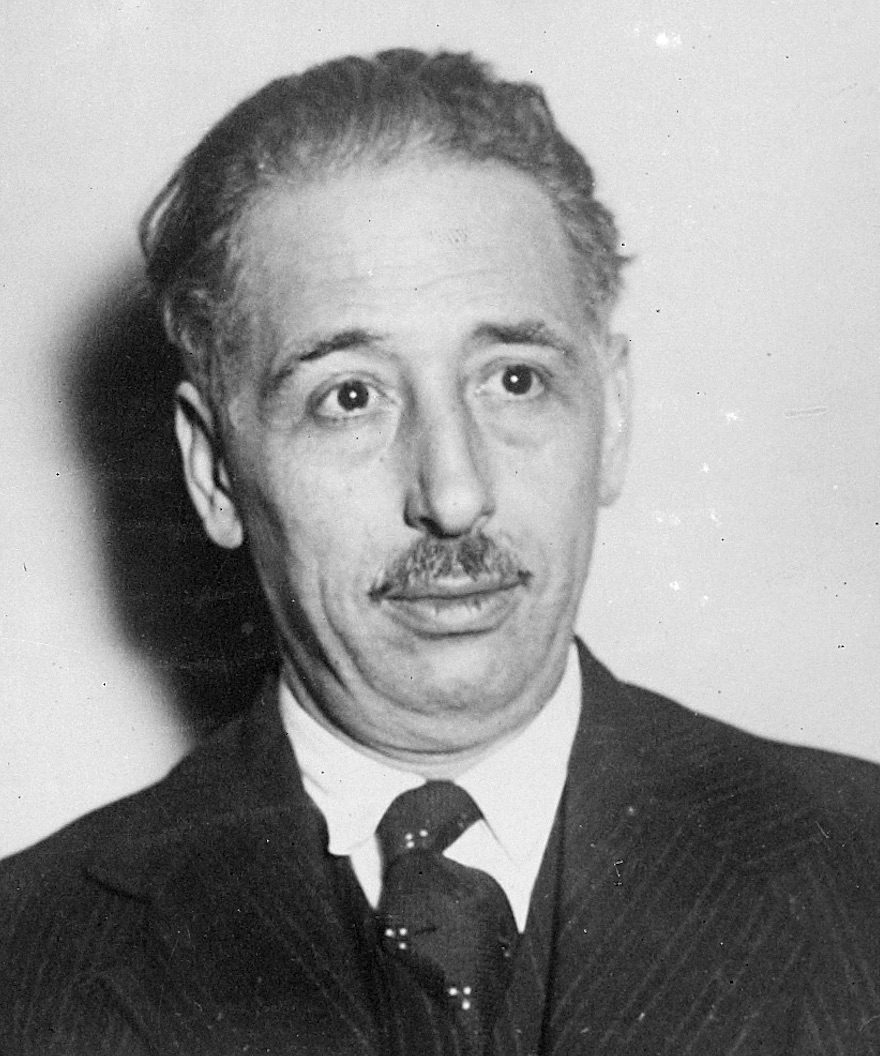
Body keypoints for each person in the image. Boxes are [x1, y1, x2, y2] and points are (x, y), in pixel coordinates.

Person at [1, 48, 879, 1056]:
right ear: (213, 471)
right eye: (349, 397)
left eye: (514, 380)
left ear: (612, 418)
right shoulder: (24, 964)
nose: (453, 497)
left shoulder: (862, 874)